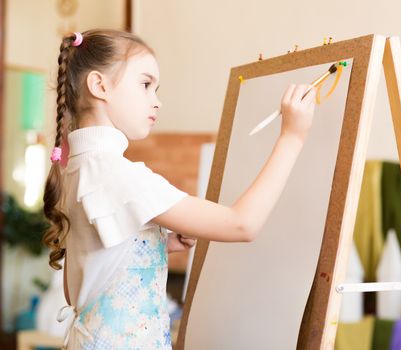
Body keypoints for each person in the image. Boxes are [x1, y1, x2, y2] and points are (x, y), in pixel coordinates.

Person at [42, 29, 317, 349]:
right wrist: (292, 137)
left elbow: (85, 274)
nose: (156, 101)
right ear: (99, 86)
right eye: (145, 84)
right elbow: (242, 223)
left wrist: (157, 243)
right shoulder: (122, 176)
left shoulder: (77, 169)